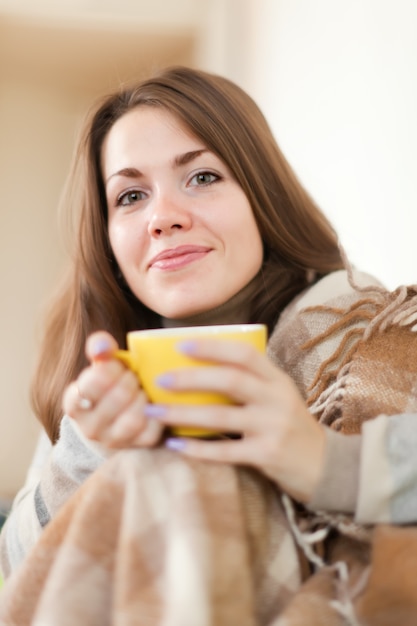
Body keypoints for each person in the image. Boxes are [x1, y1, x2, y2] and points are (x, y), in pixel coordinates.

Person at [1, 66, 417, 625]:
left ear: (260, 196)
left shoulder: (373, 333)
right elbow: (23, 576)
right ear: (107, 240)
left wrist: (324, 463)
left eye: (200, 178)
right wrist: (90, 451)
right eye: (130, 195)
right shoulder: (95, 377)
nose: (163, 218)